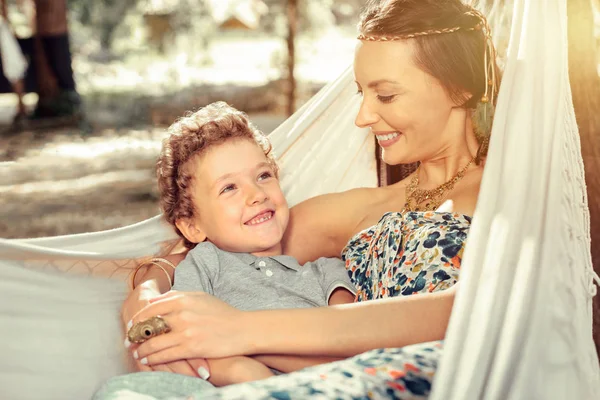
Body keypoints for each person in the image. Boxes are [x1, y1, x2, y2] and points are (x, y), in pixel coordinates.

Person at [101, 0, 501, 398]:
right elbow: (201, 250)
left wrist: (239, 331)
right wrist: (146, 303)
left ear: (460, 88)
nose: (362, 117)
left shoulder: (507, 197)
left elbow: (471, 310)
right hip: (346, 379)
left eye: (386, 95)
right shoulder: (357, 210)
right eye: (362, 93)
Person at [126, 101, 356, 386]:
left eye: (263, 175)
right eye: (229, 188)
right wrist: (243, 372)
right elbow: (184, 343)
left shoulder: (327, 273)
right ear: (193, 227)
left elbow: (354, 353)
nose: (257, 194)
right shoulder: (206, 264)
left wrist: (253, 359)